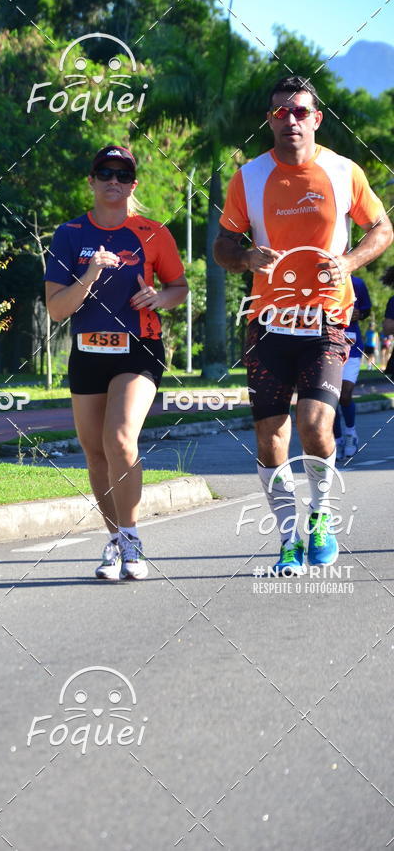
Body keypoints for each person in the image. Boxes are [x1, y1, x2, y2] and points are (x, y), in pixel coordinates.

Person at [214, 75, 393, 575]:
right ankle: (289, 538)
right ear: (269, 120)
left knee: (315, 426)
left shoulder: (343, 171)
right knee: (271, 440)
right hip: (268, 324)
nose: (289, 120)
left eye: (299, 112)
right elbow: (222, 246)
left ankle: (320, 518)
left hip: (326, 321)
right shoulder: (247, 177)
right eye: (280, 113)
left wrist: (351, 262)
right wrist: (247, 256)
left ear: (316, 118)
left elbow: (382, 228)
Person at [44, 145, 188, 580]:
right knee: (94, 453)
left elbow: (178, 286)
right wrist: (89, 275)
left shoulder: (152, 232)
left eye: (122, 175)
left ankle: (132, 538)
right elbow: (56, 310)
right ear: (91, 181)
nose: (113, 181)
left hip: (138, 348)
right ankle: (117, 542)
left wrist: (161, 297)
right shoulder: (68, 235)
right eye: (104, 173)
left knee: (120, 440)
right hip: (87, 351)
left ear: (133, 184)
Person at [334, 274, 371, 460]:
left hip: (352, 345)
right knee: (331, 397)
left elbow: (366, 310)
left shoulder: (357, 283)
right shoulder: (318, 279)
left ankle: (351, 433)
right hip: (327, 344)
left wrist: (360, 314)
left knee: (345, 393)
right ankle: (337, 440)